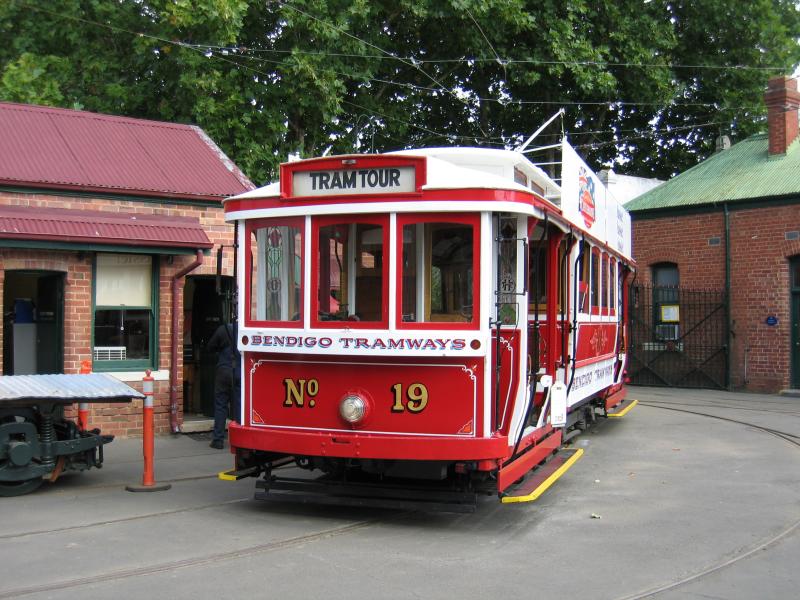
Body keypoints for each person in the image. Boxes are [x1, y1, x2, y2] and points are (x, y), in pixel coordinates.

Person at [206, 321, 241, 449]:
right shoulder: (245, 329)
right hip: (239, 371)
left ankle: (218, 440)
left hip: (223, 370)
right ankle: (239, 439)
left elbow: (210, 347)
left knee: (221, 405)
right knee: (239, 405)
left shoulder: (223, 329)